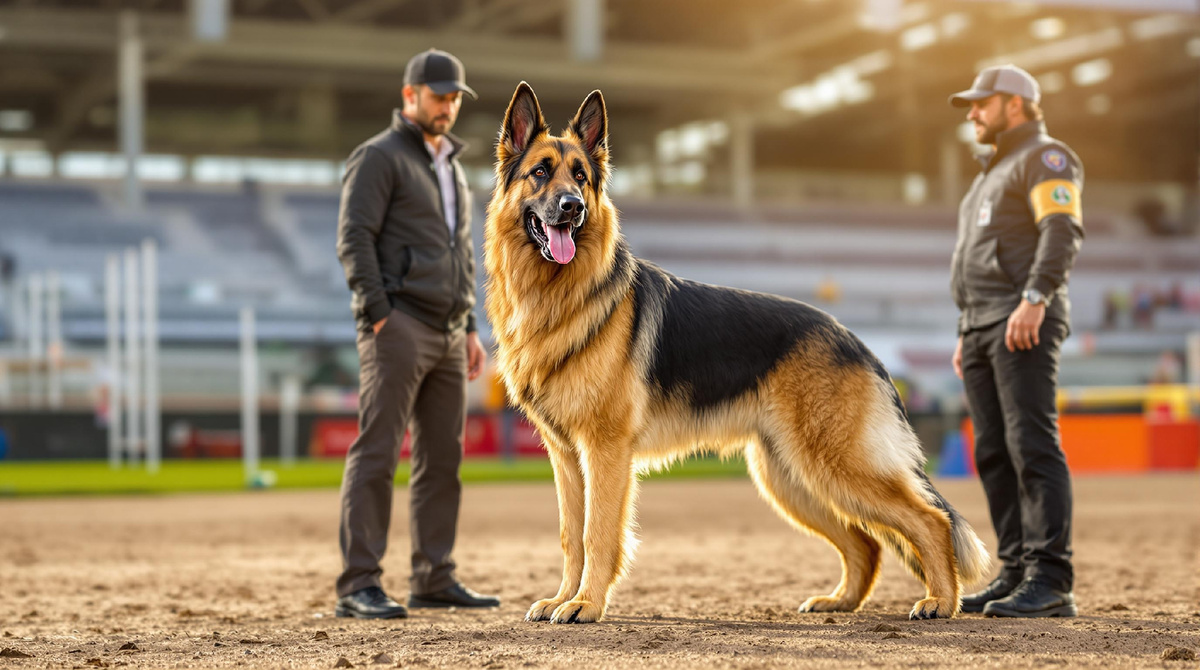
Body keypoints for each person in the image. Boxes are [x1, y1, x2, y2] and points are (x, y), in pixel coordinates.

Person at [333, 48, 498, 619]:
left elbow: (461, 255)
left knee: (442, 460)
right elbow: (353, 239)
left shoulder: (452, 167)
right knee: (377, 451)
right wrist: (380, 315)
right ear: (409, 96)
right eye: (437, 96)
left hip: (451, 332)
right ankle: (359, 583)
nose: (447, 106)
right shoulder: (378, 158)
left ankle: (434, 576)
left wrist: (471, 325)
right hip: (399, 325)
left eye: (454, 98)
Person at [948, 64, 1084, 618]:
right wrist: (967, 328)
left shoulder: (1047, 157)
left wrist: (1035, 298)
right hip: (981, 324)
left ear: (1017, 106)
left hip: (1022, 318)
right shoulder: (989, 173)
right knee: (993, 451)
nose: (974, 113)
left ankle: (1050, 579)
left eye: (984, 103)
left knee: (1031, 443)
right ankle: (1014, 571)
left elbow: (1062, 230)